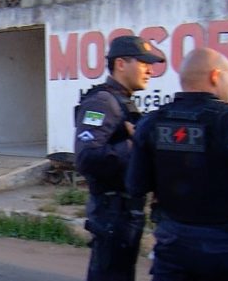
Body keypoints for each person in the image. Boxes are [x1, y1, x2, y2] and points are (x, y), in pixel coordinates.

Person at [126, 48, 228, 281]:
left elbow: (135, 185)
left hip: (171, 247)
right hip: (226, 249)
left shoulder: (151, 123)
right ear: (215, 76)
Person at [74, 35, 165, 281]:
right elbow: (87, 157)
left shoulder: (122, 101)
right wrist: (133, 144)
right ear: (121, 64)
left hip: (126, 212)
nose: (149, 70)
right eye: (143, 63)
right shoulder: (102, 102)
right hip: (111, 212)